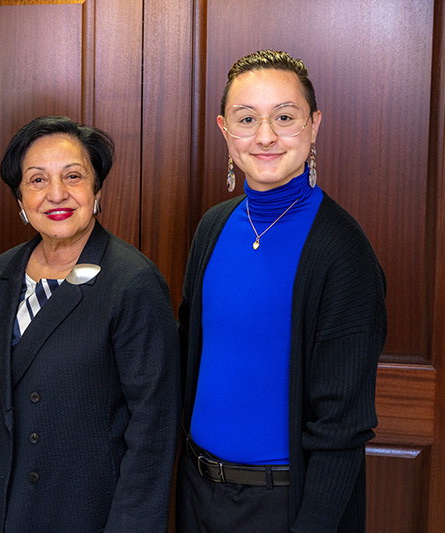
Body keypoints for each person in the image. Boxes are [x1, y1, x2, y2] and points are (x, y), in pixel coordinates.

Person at [177, 50, 387, 532]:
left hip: (285, 506)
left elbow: (343, 424)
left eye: (285, 117)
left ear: (313, 126)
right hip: (197, 490)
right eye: (247, 118)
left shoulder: (342, 251)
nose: (266, 136)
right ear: (224, 129)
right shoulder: (213, 227)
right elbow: (188, 350)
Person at [0, 116, 180, 532]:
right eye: (37, 180)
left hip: (84, 515)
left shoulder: (132, 282)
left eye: (73, 176)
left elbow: (154, 430)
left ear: (97, 190)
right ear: (20, 200)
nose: (56, 194)